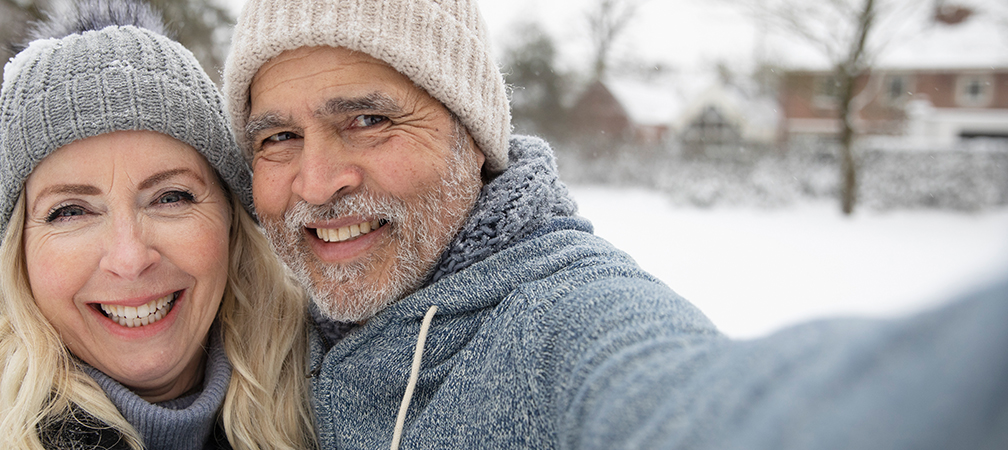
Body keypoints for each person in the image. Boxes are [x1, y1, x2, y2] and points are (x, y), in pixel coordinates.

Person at [221, 0, 1008, 448]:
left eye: (368, 119)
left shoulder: (564, 321)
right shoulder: (258, 333)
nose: (316, 182)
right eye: (278, 137)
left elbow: (705, 408)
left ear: (474, 138)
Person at [0, 1, 314, 449]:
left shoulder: (323, 397)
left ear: (232, 222)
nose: (129, 258)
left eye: (171, 197)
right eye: (70, 211)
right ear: (19, 250)